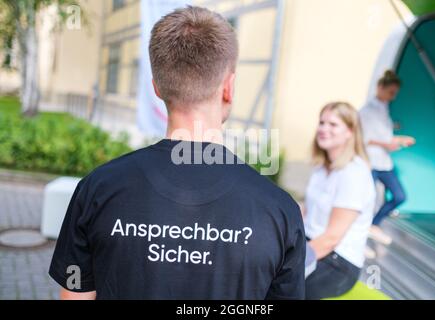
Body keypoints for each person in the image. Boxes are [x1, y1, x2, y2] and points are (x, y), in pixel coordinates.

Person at [49, 6, 306, 300]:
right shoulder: (279, 211)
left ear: (156, 88)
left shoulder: (97, 189)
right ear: (229, 88)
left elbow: (75, 294)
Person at [303, 102, 375, 300]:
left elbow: (331, 239)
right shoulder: (321, 168)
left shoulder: (354, 173)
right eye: (322, 122)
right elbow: (306, 212)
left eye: (333, 124)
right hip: (311, 243)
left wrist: (291, 266)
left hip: (338, 261)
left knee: (283, 287)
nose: (323, 129)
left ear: (350, 132)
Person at [359, 70, 416, 246]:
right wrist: (395, 141)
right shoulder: (367, 110)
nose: (392, 97)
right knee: (364, 201)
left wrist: (394, 133)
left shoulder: (384, 108)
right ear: (380, 88)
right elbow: (367, 137)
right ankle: (360, 234)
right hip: (371, 161)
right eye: (391, 92)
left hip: (384, 162)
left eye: (394, 94)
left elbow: (384, 132)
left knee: (399, 196)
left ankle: (373, 224)